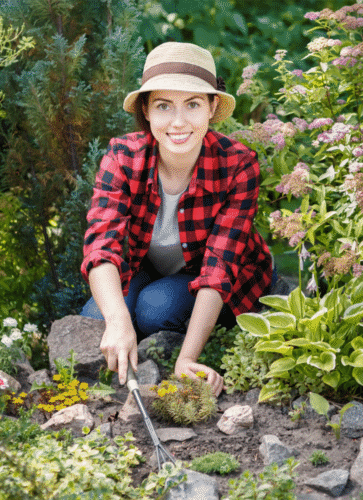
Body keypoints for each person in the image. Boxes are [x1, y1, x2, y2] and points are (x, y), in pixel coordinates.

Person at [80, 42, 274, 396]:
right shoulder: (123, 157)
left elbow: (219, 268)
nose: (179, 122)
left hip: (209, 277)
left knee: (155, 311)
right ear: (146, 109)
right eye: (164, 105)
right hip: (149, 267)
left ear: (213, 106)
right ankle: (132, 327)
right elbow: (101, 246)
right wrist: (119, 320)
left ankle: (169, 335)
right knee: (98, 317)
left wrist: (187, 359)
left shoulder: (238, 165)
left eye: (193, 104)